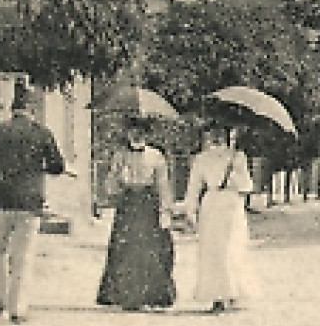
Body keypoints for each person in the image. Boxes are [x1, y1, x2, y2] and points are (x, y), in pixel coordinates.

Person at [0, 85, 68, 324]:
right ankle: (17, 309)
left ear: (13, 109)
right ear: (32, 109)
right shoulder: (42, 133)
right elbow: (57, 165)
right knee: (22, 256)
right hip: (29, 204)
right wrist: (38, 167)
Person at [95, 121, 177, 311]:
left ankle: (151, 296)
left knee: (150, 250)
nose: (137, 135)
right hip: (128, 204)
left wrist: (166, 211)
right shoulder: (120, 155)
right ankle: (126, 296)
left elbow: (163, 185)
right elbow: (109, 187)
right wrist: (118, 177)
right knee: (125, 250)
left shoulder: (156, 156)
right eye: (133, 132)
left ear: (147, 135)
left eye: (141, 132)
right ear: (128, 134)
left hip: (148, 205)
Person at [182, 125, 257, 313]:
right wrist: (190, 210)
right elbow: (194, 186)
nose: (216, 138)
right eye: (213, 134)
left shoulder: (237, 157)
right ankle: (217, 295)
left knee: (231, 248)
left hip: (231, 205)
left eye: (220, 134)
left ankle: (232, 292)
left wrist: (233, 176)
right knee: (214, 250)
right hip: (213, 205)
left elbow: (247, 185)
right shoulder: (202, 159)